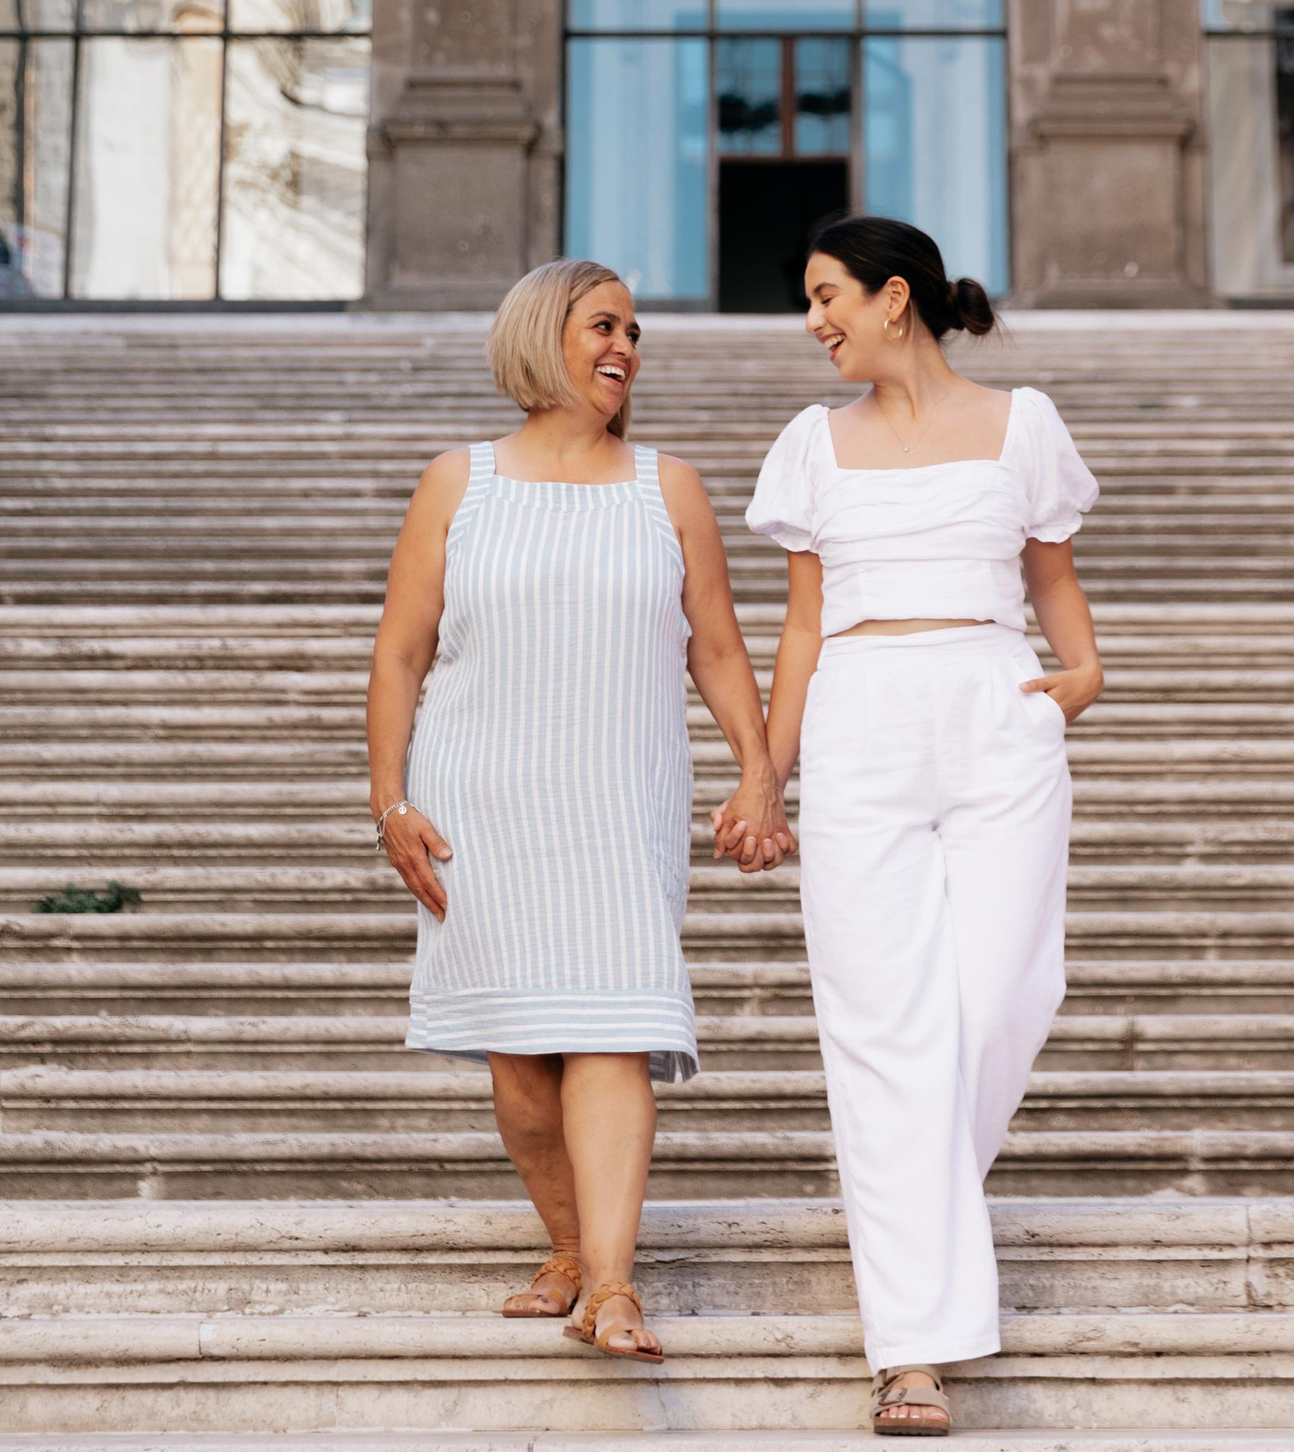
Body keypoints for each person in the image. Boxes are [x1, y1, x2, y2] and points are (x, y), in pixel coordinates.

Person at [368, 258, 791, 1363]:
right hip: (481, 800)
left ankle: (611, 1285)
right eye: (605, 325)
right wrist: (390, 799)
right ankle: (566, 1246)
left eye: (635, 332)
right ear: (540, 334)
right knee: (519, 1059)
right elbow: (401, 653)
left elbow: (717, 648)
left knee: (613, 1030)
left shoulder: (669, 488)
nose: (627, 348)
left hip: (616, 801)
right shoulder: (457, 483)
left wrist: (759, 772)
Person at [748, 215, 1103, 1439]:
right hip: (859, 717)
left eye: (827, 296)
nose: (814, 322)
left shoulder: (1025, 423)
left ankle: (909, 1210)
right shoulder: (812, 445)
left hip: (996, 709)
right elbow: (802, 626)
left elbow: (1052, 576)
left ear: (893, 298)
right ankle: (910, 1352)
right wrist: (765, 776)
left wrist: (1085, 672)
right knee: (883, 1028)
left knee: (1009, 995)